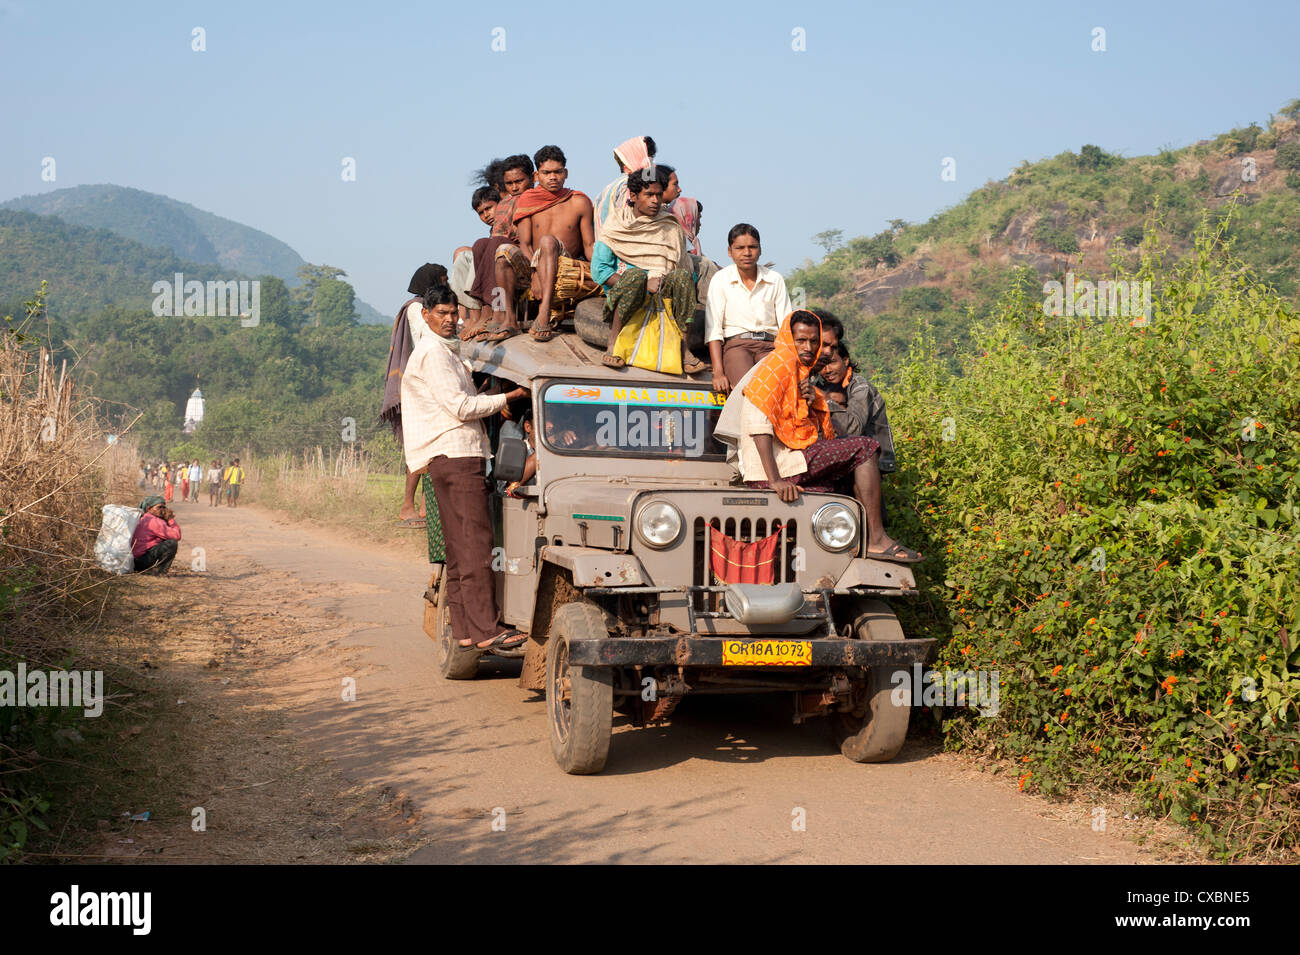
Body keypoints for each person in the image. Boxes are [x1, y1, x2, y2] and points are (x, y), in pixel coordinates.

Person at [725, 310, 920, 563]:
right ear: (787, 338)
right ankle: (876, 540)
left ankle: (847, 550)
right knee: (866, 448)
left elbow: (800, 425)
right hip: (778, 468)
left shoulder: (798, 371)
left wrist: (812, 397)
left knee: (841, 483)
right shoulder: (779, 365)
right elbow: (758, 424)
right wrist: (775, 481)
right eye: (801, 341)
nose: (810, 348)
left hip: (787, 461)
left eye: (814, 342)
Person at [400, 284, 530, 650]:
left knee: (459, 550)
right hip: (458, 457)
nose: (450, 320)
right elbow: (460, 408)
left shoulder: (445, 352)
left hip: (448, 458)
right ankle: (488, 630)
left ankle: (465, 631)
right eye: (442, 314)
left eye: (454, 313)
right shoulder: (435, 355)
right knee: (476, 545)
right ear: (426, 316)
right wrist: (511, 396)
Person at [593, 164, 704, 373]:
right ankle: (613, 345)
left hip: (664, 294)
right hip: (627, 294)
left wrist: (661, 282)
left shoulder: (669, 225)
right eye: (649, 194)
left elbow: (684, 269)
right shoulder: (617, 224)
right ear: (634, 196)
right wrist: (644, 283)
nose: (655, 200)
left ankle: (684, 348)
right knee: (634, 276)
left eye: (659, 195)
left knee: (683, 277)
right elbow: (600, 271)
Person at [484, 145, 596, 342]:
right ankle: (509, 319)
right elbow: (525, 244)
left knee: (547, 241)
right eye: (546, 172)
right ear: (537, 175)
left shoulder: (579, 201)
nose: (552, 177)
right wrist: (535, 273)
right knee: (503, 251)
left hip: (565, 264)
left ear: (565, 173)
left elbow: (589, 245)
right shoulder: (527, 200)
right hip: (533, 263)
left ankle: (543, 315)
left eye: (557, 172)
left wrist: (602, 270)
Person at [383, 262, 450, 526]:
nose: (447, 285)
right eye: (443, 280)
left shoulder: (432, 308)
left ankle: (424, 507)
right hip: (420, 385)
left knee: (432, 447)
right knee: (419, 447)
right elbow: (427, 337)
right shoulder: (416, 309)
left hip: (430, 381)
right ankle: (407, 505)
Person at [705, 223, 794, 395]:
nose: (747, 253)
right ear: (730, 252)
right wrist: (718, 373)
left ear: (760, 250)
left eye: (752, 247)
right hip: (737, 346)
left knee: (774, 392)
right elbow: (713, 329)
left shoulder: (774, 279)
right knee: (748, 392)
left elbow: (786, 326)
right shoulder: (721, 280)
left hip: (770, 346)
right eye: (740, 248)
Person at [466, 154, 536, 340]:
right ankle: (489, 310)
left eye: (519, 181)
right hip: (508, 254)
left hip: (532, 255)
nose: (514, 187)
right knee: (482, 244)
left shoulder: (536, 198)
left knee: (497, 244)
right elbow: (498, 234)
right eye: (510, 183)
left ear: (532, 178)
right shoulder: (506, 203)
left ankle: (498, 314)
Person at [815, 339, 897, 473]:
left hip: (872, 463)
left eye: (832, 363)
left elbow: (853, 429)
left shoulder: (861, 388)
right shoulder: (821, 386)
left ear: (846, 360)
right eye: (821, 365)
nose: (827, 370)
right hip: (843, 458)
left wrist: (825, 399)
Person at [594, 135, 657, 238]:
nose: (652, 163)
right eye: (649, 157)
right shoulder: (629, 186)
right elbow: (630, 224)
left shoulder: (609, 188)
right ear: (637, 158)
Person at [131, 496, 182, 574]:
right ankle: (160, 571)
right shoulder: (153, 521)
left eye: (164, 507)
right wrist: (170, 519)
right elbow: (176, 535)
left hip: (136, 560)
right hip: (141, 560)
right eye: (159, 507)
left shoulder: (145, 518)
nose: (163, 510)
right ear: (149, 509)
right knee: (172, 543)